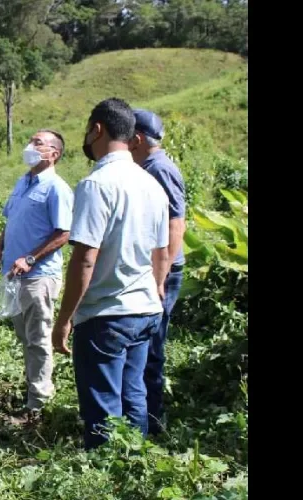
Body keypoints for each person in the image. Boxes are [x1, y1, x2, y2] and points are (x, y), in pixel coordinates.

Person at [51, 98, 170, 449]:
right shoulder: (151, 184)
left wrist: (64, 320)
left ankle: (105, 472)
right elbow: (161, 253)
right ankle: (134, 465)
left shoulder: (97, 184)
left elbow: (85, 259)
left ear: (97, 129)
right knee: (133, 393)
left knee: (102, 404)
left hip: (107, 314)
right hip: (145, 309)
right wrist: (157, 290)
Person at [0, 130, 73, 424]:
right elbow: (12, 219)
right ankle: (34, 391)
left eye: (38, 143)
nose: (30, 146)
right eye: (30, 140)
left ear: (54, 154)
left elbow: (64, 233)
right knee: (25, 336)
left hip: (39, 275)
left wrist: (31, 258)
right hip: (14, 274)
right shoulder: (23, 182)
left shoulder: (56, 188)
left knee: (38, 338)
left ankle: (38, 404)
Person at [129, 109, 187, 436]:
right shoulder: (146, 168)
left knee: (151, 346)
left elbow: (176, 224)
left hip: (162, 271)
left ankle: (153, 421)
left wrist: (159, 276)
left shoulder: (159, 169)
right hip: (153, 268)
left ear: (136, 139)